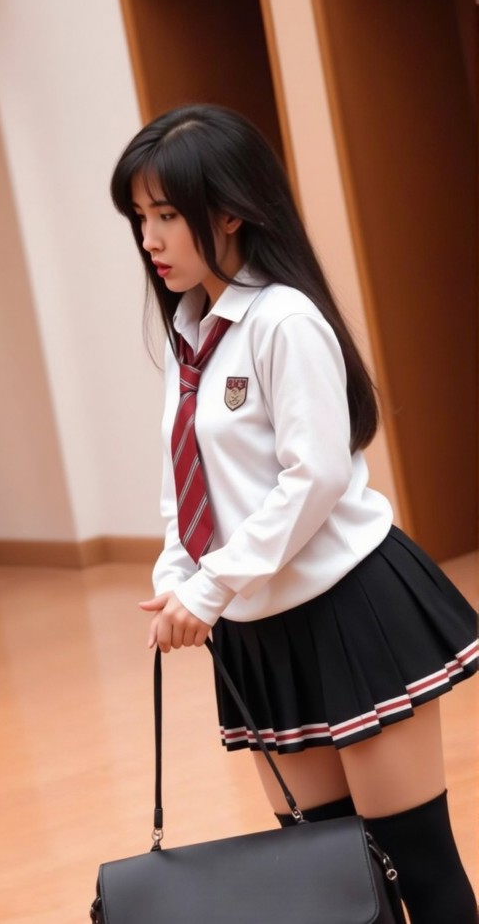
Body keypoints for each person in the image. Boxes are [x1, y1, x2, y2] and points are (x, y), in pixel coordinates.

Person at [110, 103, 478, 922]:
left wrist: (209, 592)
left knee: (417, 867)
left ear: (231, 211)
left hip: (351, 615)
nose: (151, 239)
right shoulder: (189, 334)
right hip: (262, 639)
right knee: (335, 883)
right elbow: (188, 486)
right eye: (142, 217)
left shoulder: (284, 319)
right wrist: (177, 579)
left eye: (167, 215)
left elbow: (311, 480)